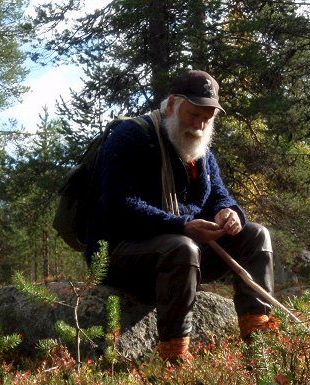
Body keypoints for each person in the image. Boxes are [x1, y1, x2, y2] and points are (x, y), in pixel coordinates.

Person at [85, 69, 277, 362]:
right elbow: (120, 205)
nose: (199, 125)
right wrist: (182, 225)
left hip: (179, 254)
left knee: (255, 235)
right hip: (119, 255)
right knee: (182, 247)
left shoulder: (200, 151)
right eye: (193, 114)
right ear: (172, 104)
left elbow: (217, 195)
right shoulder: (131, 137)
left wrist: (228, 212)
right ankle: (175, 357)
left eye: (207, 117)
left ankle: (259, 345)